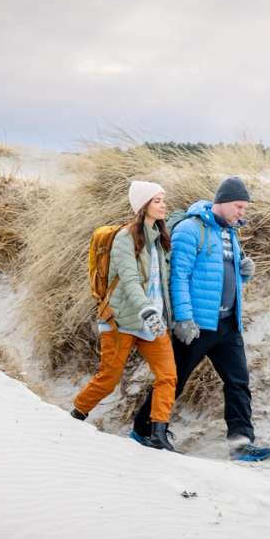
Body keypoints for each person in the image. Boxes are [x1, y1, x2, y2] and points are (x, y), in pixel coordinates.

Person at [131, 176, 270, 461]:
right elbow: (179, 276)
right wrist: (184, 319)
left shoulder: (231, 233)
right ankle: (142, 430)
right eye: (238, 207)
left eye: (245, 208)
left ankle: (241, 443)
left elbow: (219, 277)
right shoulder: (189, 229)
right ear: (221, 202)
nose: (242, 213)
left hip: (227, 324)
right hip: (196, 324)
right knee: (175, 379)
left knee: (238, 382)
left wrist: (244, 272)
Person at [71, 180, 178, 451]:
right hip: (122, 319)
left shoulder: (160, 239)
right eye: (157, 200)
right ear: (143, 206)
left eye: (164, 199)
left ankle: (158, 434)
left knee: (168, 376)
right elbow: (130, 280)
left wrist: (165, 315)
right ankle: (75, 417)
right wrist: (147, 309)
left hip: (154, 322)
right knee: (109, 377)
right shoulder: (124, 238)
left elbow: (163, 282)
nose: (163, 204)